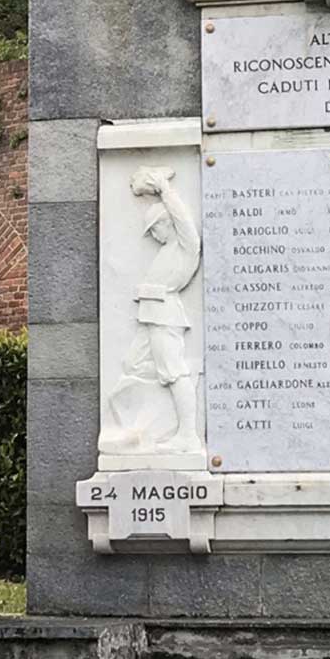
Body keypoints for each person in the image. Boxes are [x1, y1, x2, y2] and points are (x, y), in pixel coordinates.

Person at [100, 166, 203, 455]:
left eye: (155, 228)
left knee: (173, 373)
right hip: (150, 317)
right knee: (134, 365)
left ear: (167, 222)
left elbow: (184, 219)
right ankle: (140, 429)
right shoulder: (165, 252)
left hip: (165, 316)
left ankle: (187, 436)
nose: (154, 235)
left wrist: (164, 190)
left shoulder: (186, 247)